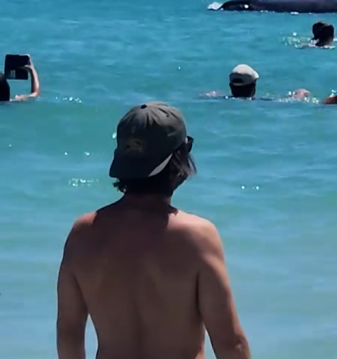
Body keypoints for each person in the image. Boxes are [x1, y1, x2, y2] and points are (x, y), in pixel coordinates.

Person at [55, 102, 252, 359]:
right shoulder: (196, 237)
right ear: (180, 159)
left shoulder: (83, 233)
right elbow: (230, 343)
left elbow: (69, 334)